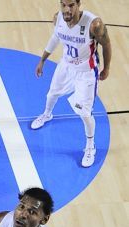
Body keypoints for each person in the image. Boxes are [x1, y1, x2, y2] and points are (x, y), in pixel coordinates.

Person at [30, 0, 112, 168]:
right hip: (66, 66)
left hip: (86, 72)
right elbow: (55, 38)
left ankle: (90, 146)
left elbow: (107, 44)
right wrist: (42, 60)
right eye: (63, 4)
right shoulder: (58, 18)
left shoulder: (94, 24)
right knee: (52, 93)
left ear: (79, 4)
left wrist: (106, 68)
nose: (67, 9)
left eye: (71, 5)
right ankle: (47, 114)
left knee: (84, 113)